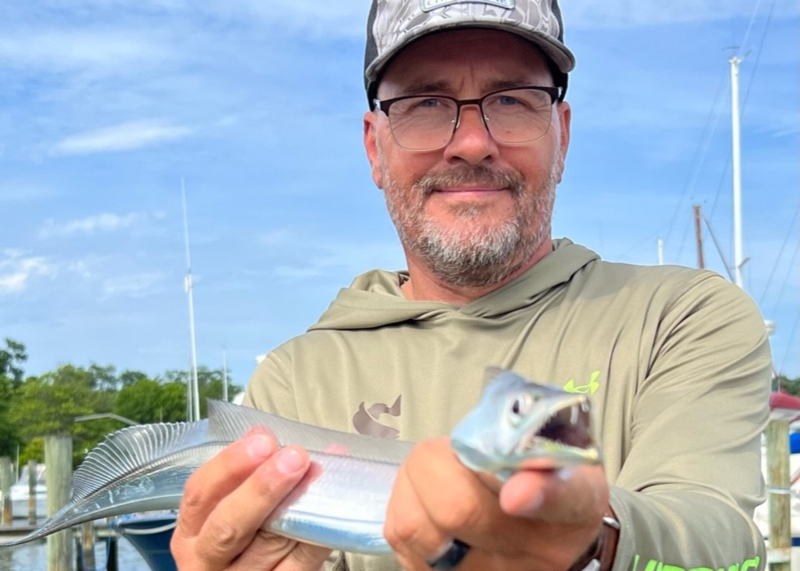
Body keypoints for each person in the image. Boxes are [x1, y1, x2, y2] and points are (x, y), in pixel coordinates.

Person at [170, 1, 772, 570]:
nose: (472, 143)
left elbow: (717, 532)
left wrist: (593, 540)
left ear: (561, 133)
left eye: (512, 99)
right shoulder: (295, 379)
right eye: (426, 103)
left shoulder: (681, 318)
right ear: (373, 148)